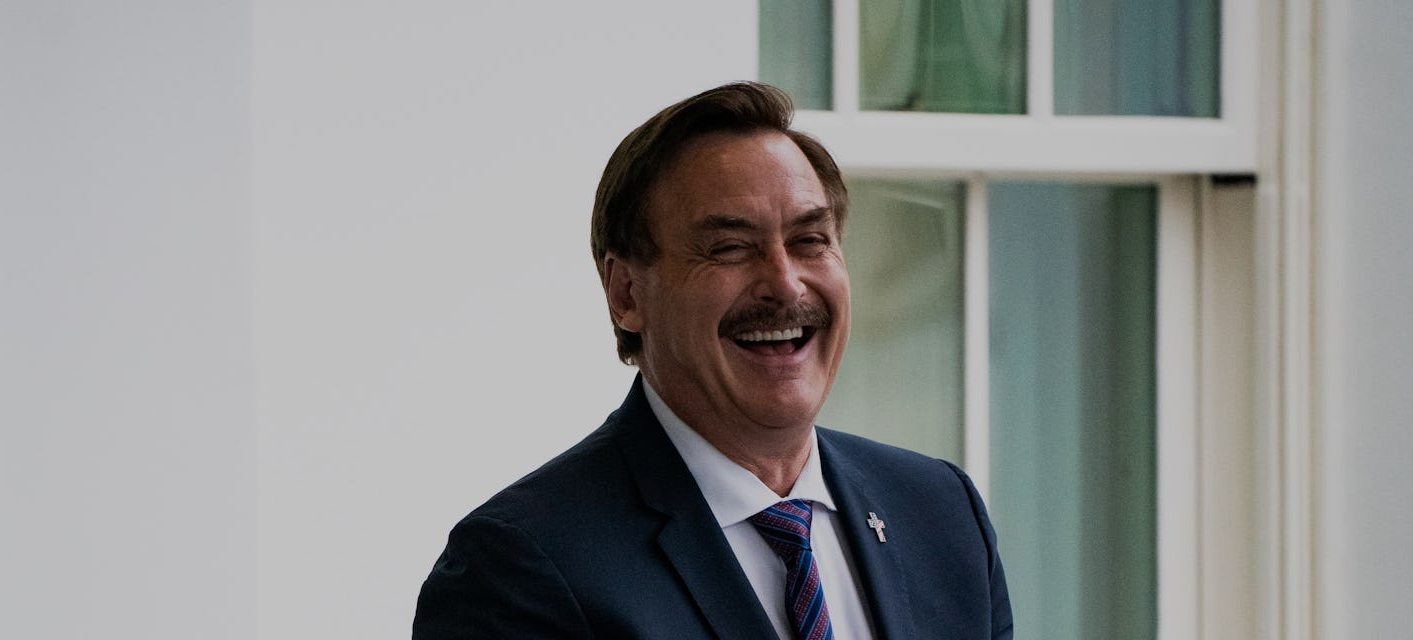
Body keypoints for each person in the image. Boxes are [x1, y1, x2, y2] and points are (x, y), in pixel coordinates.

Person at [412, 82, 1013, 640]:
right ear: (626, 293)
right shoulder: (521, 565)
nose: (785, 284)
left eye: (810, 241)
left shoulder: (942, 514)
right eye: (729, 248)